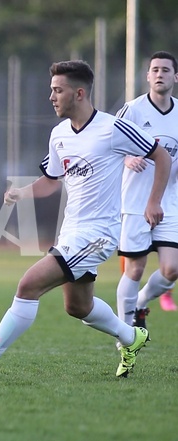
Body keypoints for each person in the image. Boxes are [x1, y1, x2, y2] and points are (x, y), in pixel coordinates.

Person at [0, 60, 171, 380]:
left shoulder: (111, 128)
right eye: (51, 90)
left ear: (79, 93)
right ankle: (132, 337)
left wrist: (153, 201)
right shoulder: (59, 133)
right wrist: (22, 192)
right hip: (72, 231)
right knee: (78, 307)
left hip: (100, 234)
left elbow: (159, 155)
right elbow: (52, 179)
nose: (51, 97)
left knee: (28, 285)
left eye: (57, 90)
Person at [116, 51, 178, 329]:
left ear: (175, 77)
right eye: (155, 70)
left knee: (171, 269)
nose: (159, 74)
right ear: (147, 76)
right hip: (136, 202)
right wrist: (127, 158)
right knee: (135, 268)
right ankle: (124, 332)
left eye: (166, 70)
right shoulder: (133, 110)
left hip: (170, 201)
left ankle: (140, 303)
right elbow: (109, 146)